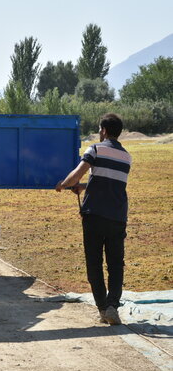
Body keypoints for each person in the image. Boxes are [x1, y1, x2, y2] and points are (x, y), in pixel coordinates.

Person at [55, 113, 131, 325]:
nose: (99, 133)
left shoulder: (95, 149)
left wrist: (64, 184)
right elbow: (109, 183)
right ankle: (112, 307)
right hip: (117, 217)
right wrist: (85, 187)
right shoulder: (126, 157)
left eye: (99, 129)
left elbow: (77, 174)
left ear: (104, 131)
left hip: (94, 216)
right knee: (116, 264)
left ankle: (102, 308)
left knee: (94, 264)